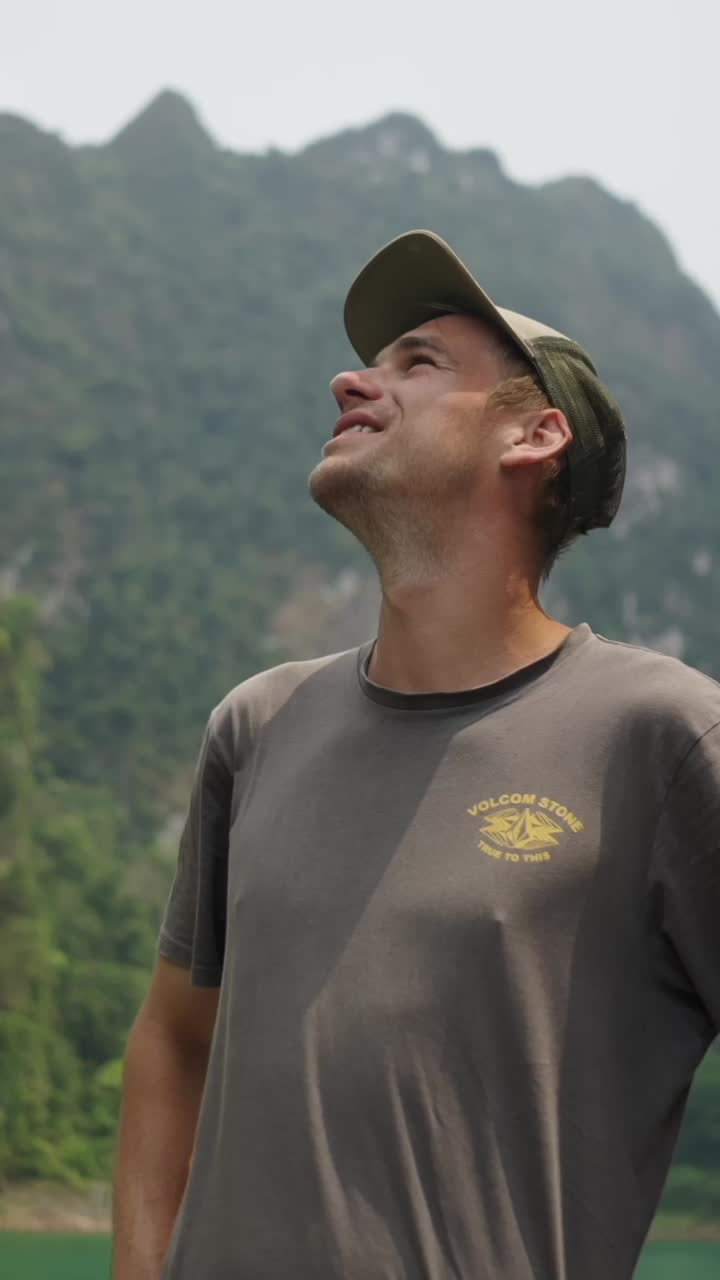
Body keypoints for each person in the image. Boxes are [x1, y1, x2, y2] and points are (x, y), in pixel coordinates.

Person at [111, 231, 720, 1280]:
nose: (352, 381)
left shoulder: (663, 736)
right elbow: (174, 1040)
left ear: (535, 434)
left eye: (418, 363)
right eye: (370, 362)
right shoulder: (258, 725)